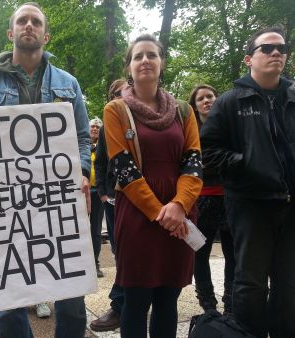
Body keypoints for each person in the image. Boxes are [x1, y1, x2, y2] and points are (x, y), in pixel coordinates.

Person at [0, 3, 91, 338]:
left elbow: (82, 136)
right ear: (11, 33)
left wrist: (81, 172)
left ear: (45, 34)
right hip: (5, 204)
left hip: (57, 201)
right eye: (22, 21)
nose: (29, 25)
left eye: (36, 21)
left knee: (71, 297)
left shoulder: (69, 83)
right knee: (8, 297)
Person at [103, 34, 202, 337]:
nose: (145, 60)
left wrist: (178, 206)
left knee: (168, 300)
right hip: (137, 214)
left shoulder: (184, 110)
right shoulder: (116, 110)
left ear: (162, 63)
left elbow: (194, 162)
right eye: (138, 56)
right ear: (129, 67)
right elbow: (124, 169)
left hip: (181, 212)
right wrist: (162, 213)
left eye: (152, 55)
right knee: (135, 299)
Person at [200, 26, 295, 338]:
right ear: (248, 59)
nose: (276, 53)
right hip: (250, 205)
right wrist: (246, 164)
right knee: (250, 281)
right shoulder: (229, 103)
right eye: (267, 49)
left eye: (282, 48)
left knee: (288, 281)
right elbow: (208, 151)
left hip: (289, 205)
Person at [188, 85, 236, 314]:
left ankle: (231, 302)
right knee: (200, 253)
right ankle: (208, 304)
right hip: (202, 200)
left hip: (229, 198)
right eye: (201, 98)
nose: (207, 101)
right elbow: (189, 165)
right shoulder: (190, 130)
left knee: (233, 253)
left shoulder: (230, 127)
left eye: (210, 96)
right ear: (194, 105)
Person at [90, 79, 126, 332]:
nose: (120, 97)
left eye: (125, 92)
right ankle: (120, 304)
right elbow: (100, 161)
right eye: (115, 94)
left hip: (150, 199)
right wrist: (103, 194)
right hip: (115, 199)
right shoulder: (106, 126)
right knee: (121, 251)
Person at [89, 116, 105, 278]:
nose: (94, 129)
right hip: (82, 192)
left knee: (96, 230)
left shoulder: (104, 146)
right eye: (92, 127)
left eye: (97, 127)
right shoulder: (80, 146)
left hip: (97, 192)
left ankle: (95, 262)